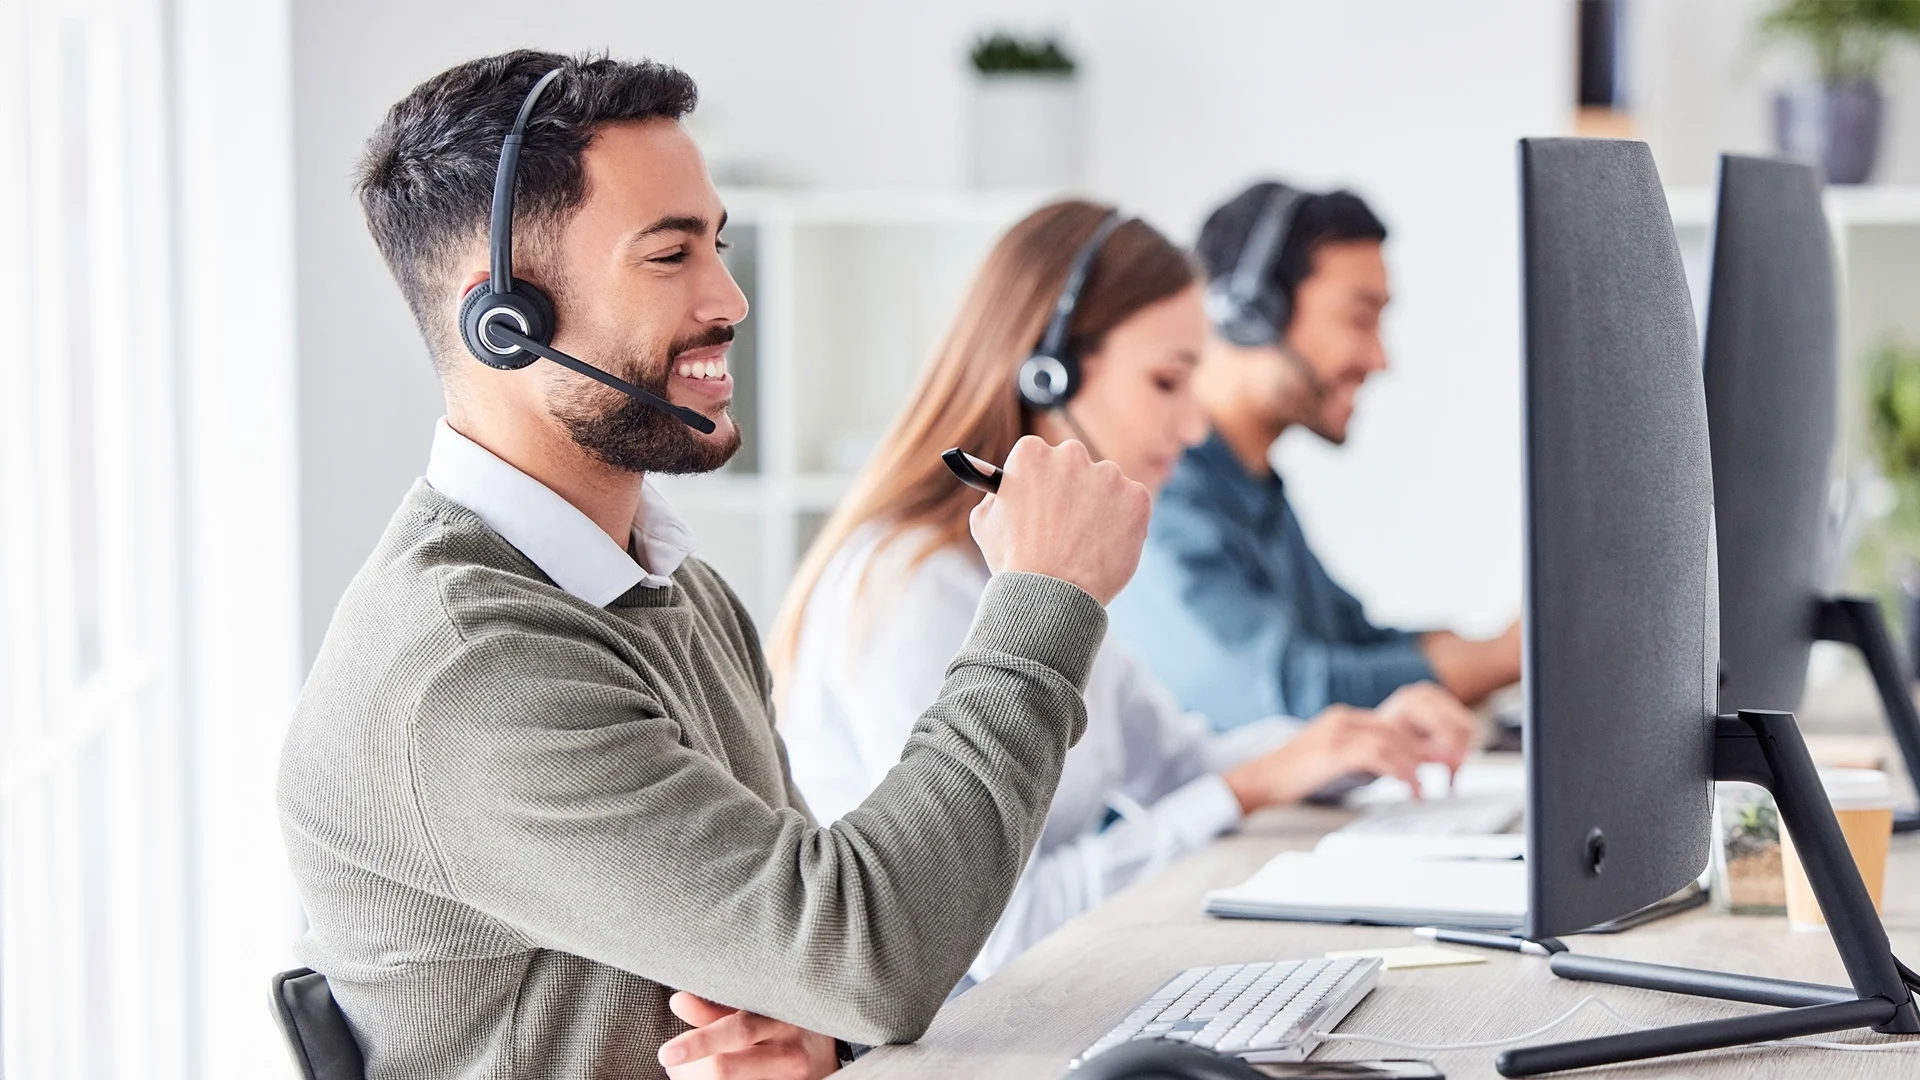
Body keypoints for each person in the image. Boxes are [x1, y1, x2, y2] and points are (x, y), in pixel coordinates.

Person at [277, 51, 1157, 1080]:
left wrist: (815, 1031)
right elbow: (871, 950)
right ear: (504, 320)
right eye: (670, 255)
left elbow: (817, 953)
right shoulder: (469, 667)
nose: (732, 298)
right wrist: (1041, 600)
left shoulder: (671, 589)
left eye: (720, 246)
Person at [770, 201, 1481, 985]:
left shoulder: (1051, 564)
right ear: (1049, 371)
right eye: (1168, 381)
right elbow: (995, 936)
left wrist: (1349, 743)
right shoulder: (916, 587)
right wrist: (1245, 789)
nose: (1194, 427)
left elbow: (1175, 763)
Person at [1109, 181, 1521, 731]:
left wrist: (1492, 645)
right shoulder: (1163, 492)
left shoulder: (1252, 489)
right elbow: (1287, 694)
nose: (1379, 359)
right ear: (1252, 310)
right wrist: (1506, 657)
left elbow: (1351, 639)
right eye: (1359, 318)